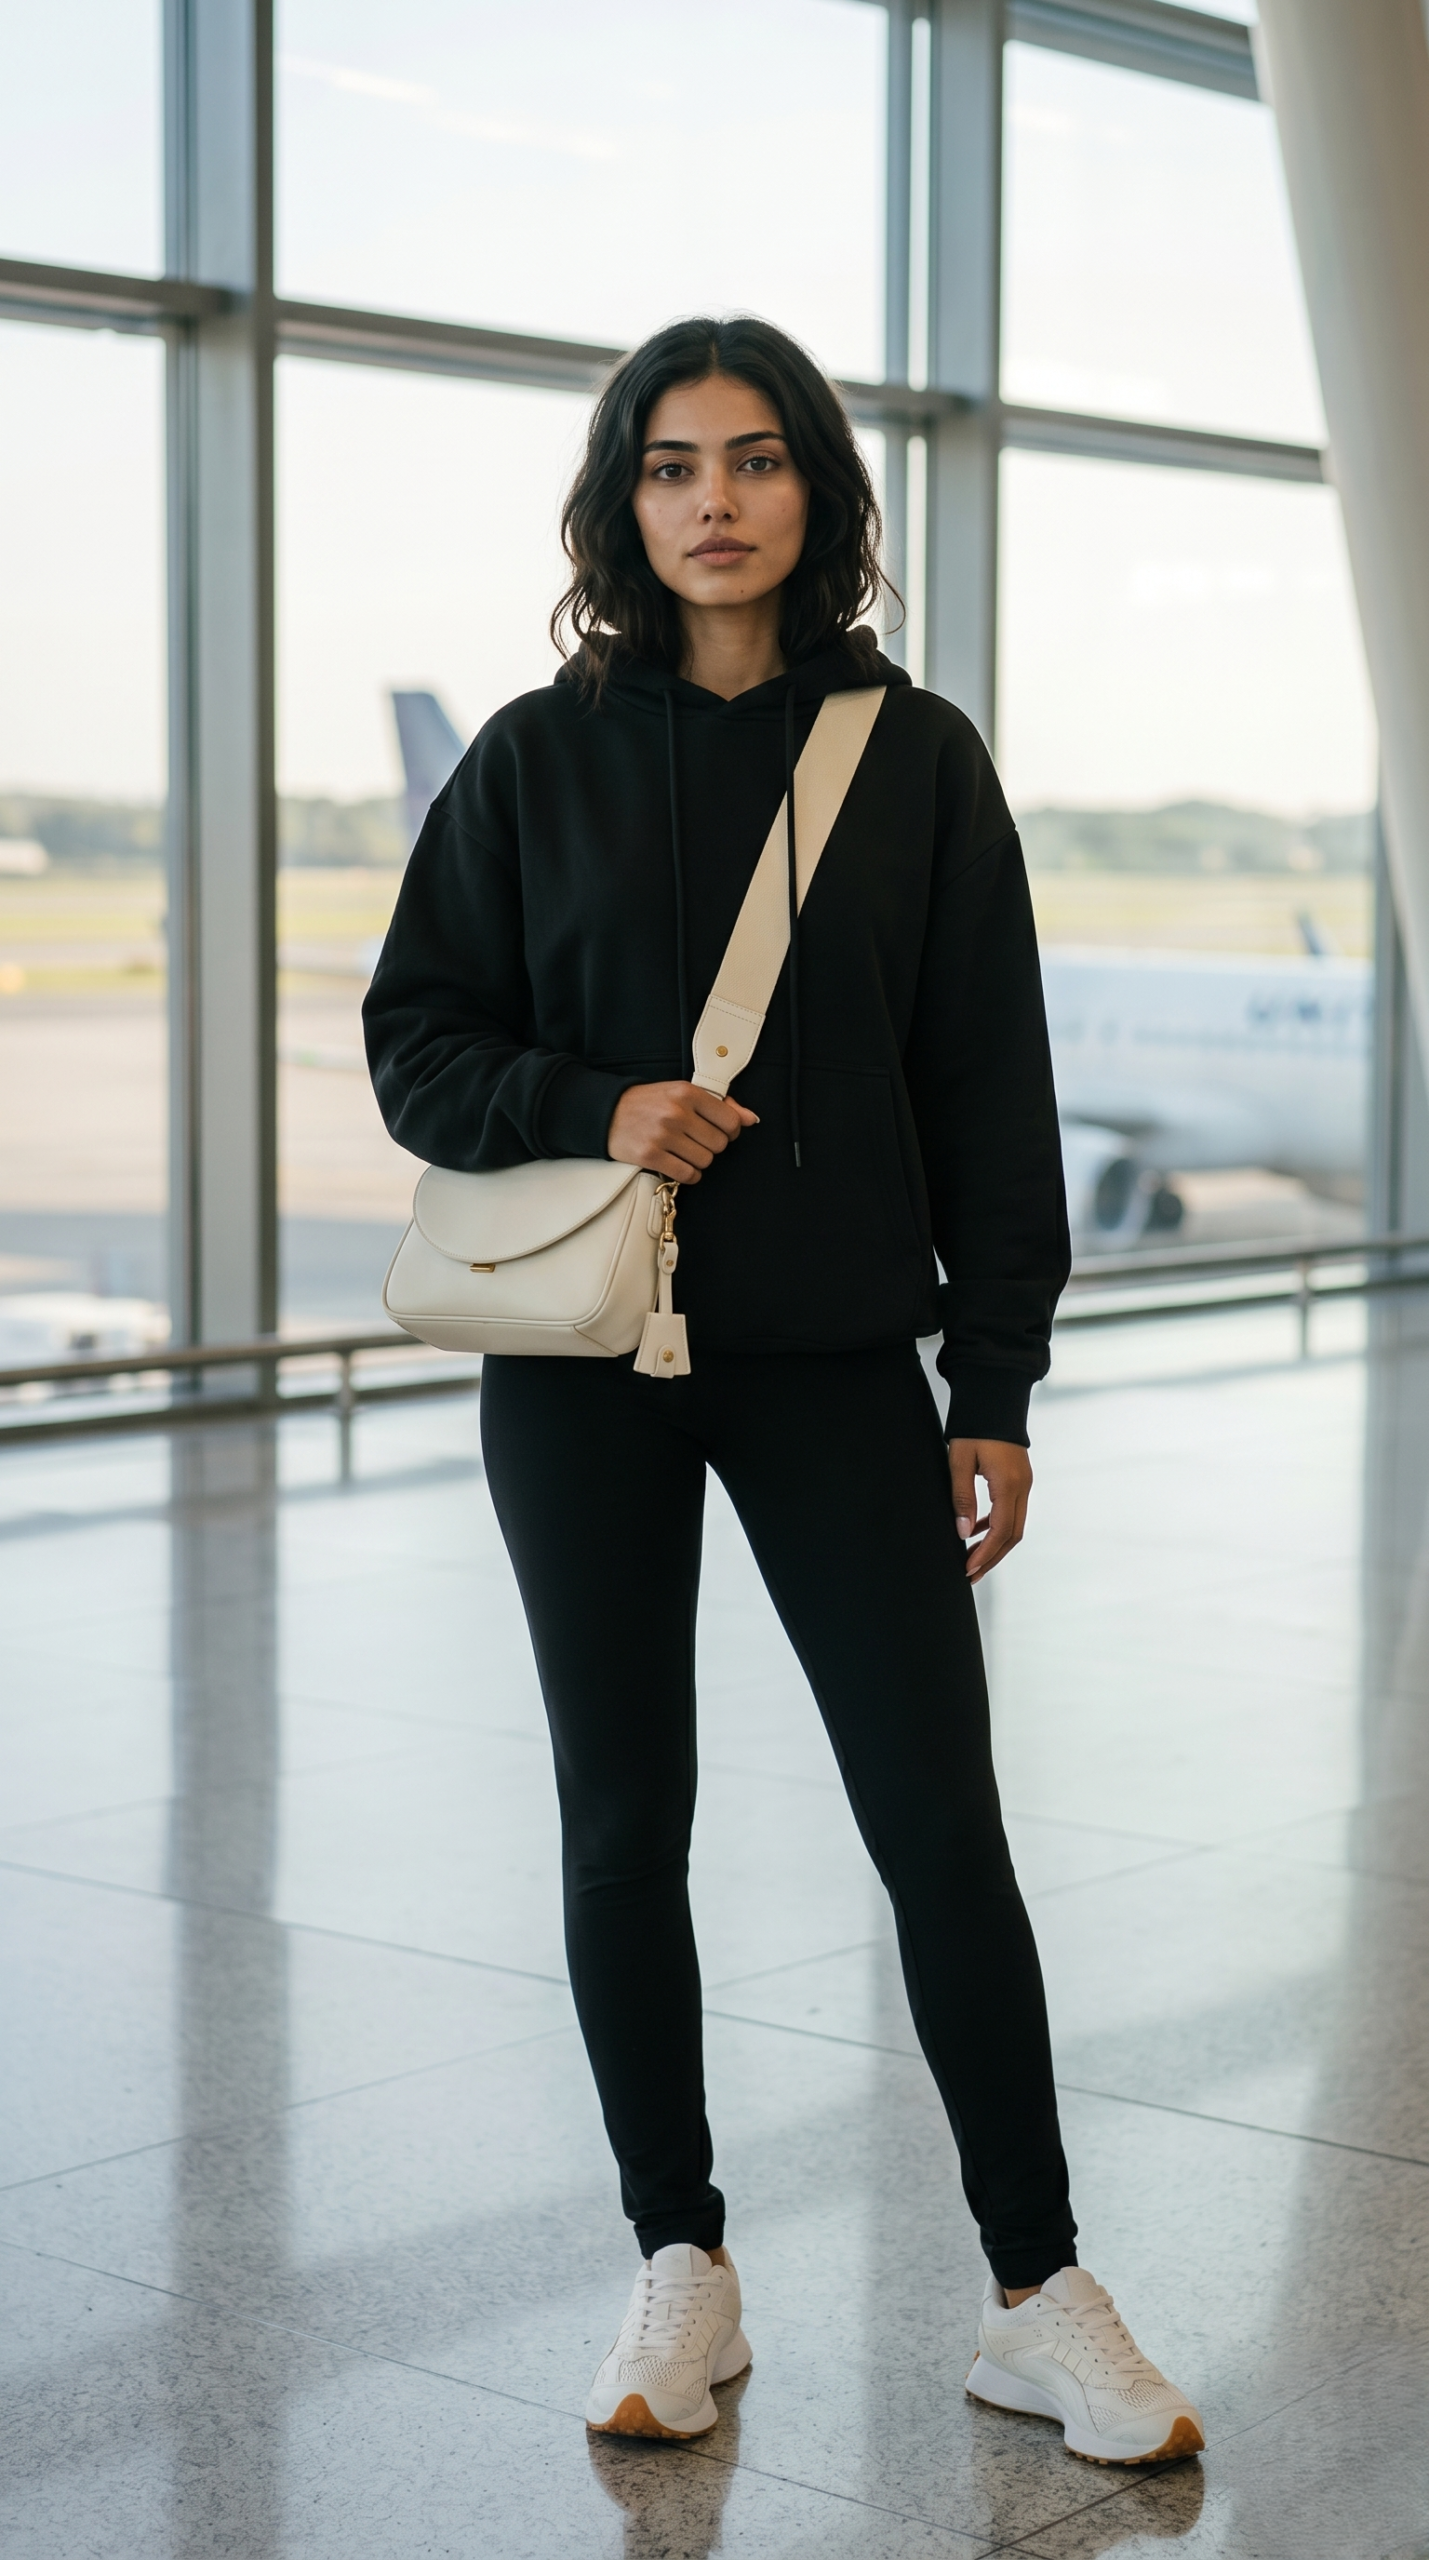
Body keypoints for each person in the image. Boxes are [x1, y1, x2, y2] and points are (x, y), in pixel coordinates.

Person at [363, 316, 1205, 2470]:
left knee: (940, 1822)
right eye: (667, 466)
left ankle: (1037, 2287)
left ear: (819, 491)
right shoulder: (536, 760)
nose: (710, 500)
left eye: (751, 460)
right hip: (579, 1371)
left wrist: (994, 1379)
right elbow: (416, 1042)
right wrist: (594, 1100)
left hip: (838, 1363)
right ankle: (684, 2260)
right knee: (623, 1820)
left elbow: (988, 1089)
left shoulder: (914, 757)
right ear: (620, 501)